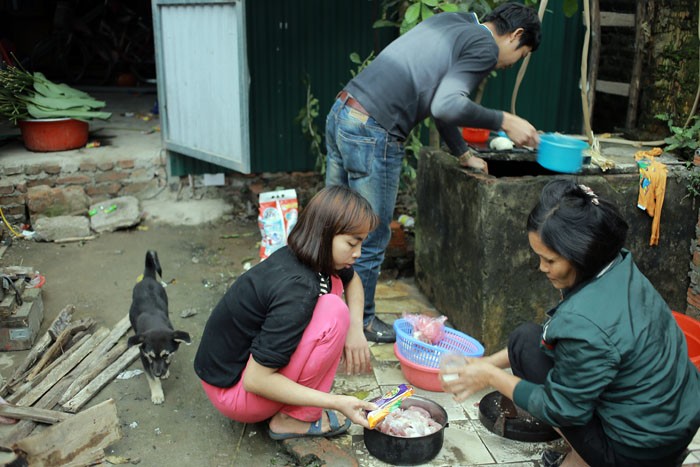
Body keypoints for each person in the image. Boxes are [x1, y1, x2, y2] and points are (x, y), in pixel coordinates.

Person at [440, 179, 700, 467]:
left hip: (639, 450)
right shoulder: (618, 266)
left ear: (581, 254)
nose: (542, 268)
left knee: (559, 402)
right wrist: (486, 363)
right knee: (525, 340)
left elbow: (559, 408)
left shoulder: (586, 322)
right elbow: (553, 337)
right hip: (677, 420)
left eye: (549, 260)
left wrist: (490, 378)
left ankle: (586, 458)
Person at [325, 3, 542, 343]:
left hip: (343, 112)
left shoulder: (454, 23)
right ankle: (361, 323)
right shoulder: (484, 46)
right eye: (522, 54)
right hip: (374, 129)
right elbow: (446, 105)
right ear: (516, 36)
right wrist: (505, 120)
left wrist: (462, 151)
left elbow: (439, 102)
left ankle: (323, 311)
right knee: (369, 234)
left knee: (332, 225)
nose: (511, 64)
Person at [194, 185, 380, 440]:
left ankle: (295, 404)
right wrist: (336, 401)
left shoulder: (310, 254)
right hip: (234, 392)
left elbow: (353, 280)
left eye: (361, 244)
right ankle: (291, 420)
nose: (357, 254)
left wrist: (356, 330)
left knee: (335, 293)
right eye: (351, 243)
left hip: (229, 374)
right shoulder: (298, 289)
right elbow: (256, 380)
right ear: (325, 234)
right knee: (335, 312)